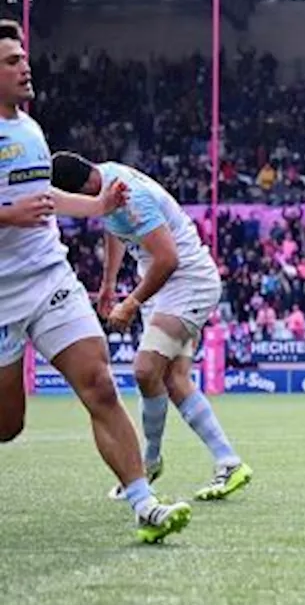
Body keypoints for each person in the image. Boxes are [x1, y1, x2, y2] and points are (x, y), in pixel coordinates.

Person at [0, 20, 191, 542]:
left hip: (49, 278)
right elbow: (21, 208)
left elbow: (45, 199)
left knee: (100, 384)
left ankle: (144, 504)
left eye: (23, 57)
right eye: (12, 61)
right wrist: (8, 216)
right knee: (7, 425)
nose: (25, 66)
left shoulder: (31, 130)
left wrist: (97, 206)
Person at [51, 152, 254, 503]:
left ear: (84, 188)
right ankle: (228, 461)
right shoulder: (108, 181)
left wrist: (130, 303)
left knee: (146, 371)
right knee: (173, 378)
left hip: (186, 281)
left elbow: (168, 259)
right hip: (167, 286)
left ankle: (149, 462)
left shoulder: (130, 196)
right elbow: (114, 228)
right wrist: (110, 282)